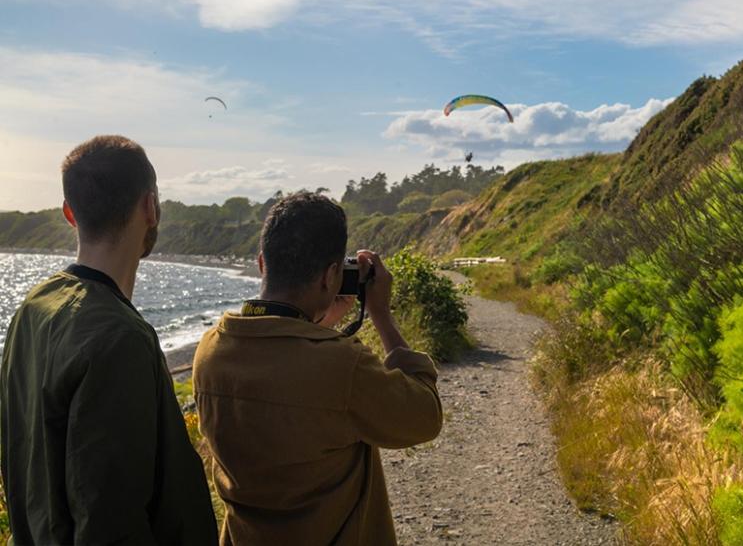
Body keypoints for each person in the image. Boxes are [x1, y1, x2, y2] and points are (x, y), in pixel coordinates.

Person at [0, 135, 218, 545]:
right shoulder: (120, 339)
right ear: (150, 207)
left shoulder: (33, 308)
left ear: (69, 213)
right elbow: (110, 524)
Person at [193, 192, 443, 545]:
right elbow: (424, 417)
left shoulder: (211, 349)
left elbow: (283, 371)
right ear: (331, 276)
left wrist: (317, 324)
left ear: (262, 263)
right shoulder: (343, 365)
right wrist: (381, 316)